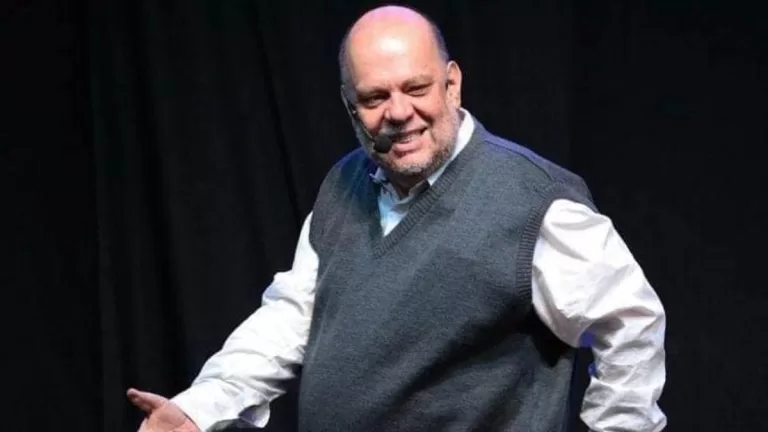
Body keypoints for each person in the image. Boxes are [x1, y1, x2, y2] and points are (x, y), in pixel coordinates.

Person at [128, 5, 667, 432]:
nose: (399, 112)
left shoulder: (532, 200)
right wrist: (201, 407)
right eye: (374, 97)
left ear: (452, 84)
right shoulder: (344, 185)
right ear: (350, 106)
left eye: (416, 88)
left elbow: (631, 323)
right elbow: (292, 318)